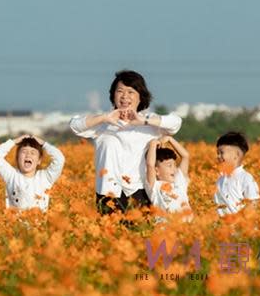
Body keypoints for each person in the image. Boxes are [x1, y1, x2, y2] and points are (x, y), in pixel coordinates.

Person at [70, 70, 182, 214]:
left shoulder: (149, 122)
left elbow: (176, 123)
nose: (125, 97)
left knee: (140, 235)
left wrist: (143, 120)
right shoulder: (103, 124)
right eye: (120, 91)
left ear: (140, 97)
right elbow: (75, 125)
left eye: (131, 92)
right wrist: (104, 118)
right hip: (108, 192)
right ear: (113, 95)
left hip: (140, 191)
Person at [0, 134, 65, 212]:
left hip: (38, 223)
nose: (28, 155)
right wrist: (14, 141)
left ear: (39, 160)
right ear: (17, 158)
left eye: (33, 153)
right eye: (24, 152)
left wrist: (44, 144)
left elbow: (60, 159)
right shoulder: (11, 176)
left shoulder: (45, 178)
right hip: (15, 223)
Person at [145, 136, 192, 222]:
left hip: (187, 229)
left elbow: (185, 156)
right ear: (156, 171)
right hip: (166, 231)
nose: (174, 169)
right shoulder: (155, 186)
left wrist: (170, 139)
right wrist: (153, 144)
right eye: (169, 165)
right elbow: (150, 165)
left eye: (174, 165)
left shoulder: (179, 182)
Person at [213, 132, 260, 216]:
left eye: (221, 153)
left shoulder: (245, 178)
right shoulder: (220, 180)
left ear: (236, 155)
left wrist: (238, 221)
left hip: (241, 227)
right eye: (217, 153)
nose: (218, 156)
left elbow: (253, 203)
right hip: (223, 227)